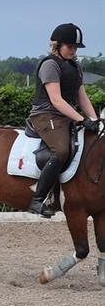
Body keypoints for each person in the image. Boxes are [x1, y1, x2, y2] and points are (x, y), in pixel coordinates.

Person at [26, 22, 100, 217]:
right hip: (46, 115)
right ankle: (37, 200)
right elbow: (57, 100)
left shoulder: (76, 66)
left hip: (65, 117)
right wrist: (81, 120)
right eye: (70, 47)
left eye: (76, 47)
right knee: (61, 150)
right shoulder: (49, 65)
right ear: (57, 45)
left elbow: (81, 96)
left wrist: (94, 119)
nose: (74, 51)